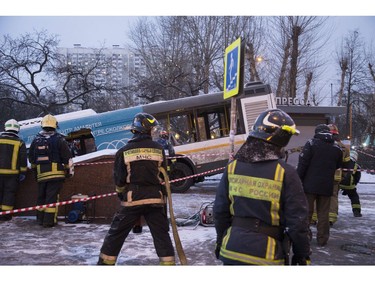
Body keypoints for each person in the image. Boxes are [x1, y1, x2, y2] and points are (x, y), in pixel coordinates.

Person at [214, 109, 311, 265]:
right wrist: (302, 254)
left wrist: (220, 242)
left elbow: (220, 212)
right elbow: (298, 222)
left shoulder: (232, 168)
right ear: (282, 137)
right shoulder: (286, 173)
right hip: (267, 256)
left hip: (231, 250)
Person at [97, 112, 175, 265]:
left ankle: (105, 264)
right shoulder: (159, 149)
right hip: (155, 198)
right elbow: (165, 175)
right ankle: (168, 265)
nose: (154, 132)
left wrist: (121, 194)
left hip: (132, 200)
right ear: (146, 130)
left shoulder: (123, 152)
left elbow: (119, 180)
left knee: (116, 234)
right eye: (152, 130)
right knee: (161, 235)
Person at [297, 124, 343, 247]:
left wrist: (298, 179)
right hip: (326, 185)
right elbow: (339, 164)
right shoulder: (336, 148)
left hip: (309, 186)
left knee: (307, 212)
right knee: (324, 213)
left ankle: (305, 237)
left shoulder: (311, 144)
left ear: (317, 132)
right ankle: (322, 239)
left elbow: (303, 163)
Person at [28, 114, 74, 227]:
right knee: (52, 198)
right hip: (56, 174)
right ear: (55, 125)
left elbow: (32, 159)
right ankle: (49, 221)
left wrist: (36, 173)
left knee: (41, 197)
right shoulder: (59, 139)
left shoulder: (36, 140)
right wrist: (69, 172)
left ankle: (40, 219)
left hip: (41, 174)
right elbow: (67, 158)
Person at [310, 124, 350, 226]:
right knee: (333, 197)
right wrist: (343, 175)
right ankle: (331, 218)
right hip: (335, 177)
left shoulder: (322, 144)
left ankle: (313, 218)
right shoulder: (344, 148)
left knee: (315, 195)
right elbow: (346, 164)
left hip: (320, 175)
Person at [0, 119, 28, 221]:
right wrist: (23, 172)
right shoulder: (19, 142)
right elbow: (23, 159)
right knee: (9, 193)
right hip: (12, 174)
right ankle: (5, 215)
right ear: (17, 129)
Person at [340, 150, 362, 217]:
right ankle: (356, 211)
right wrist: (354, 184)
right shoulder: (356, 166)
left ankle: (331, 210)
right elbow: (357, 178)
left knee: (333, 197)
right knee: (354, 197)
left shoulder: (342, 162)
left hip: (339, 183)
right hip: (350, 185)